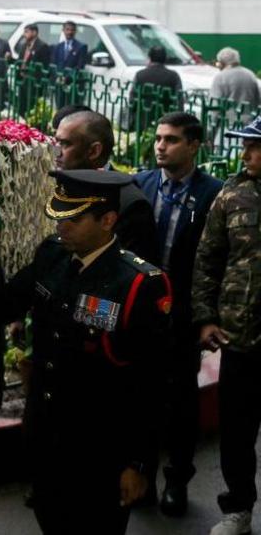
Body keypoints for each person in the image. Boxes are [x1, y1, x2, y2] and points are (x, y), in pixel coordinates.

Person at [0, 169, 172, 535]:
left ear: (108, 220)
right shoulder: (53, 255)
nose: (62, 226)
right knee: (51, 519)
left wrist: (138, 464)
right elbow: (6, 305)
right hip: (47, 435)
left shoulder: (138, 284)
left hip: (100, 447)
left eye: (75, 219)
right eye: (60, 216)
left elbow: (151, 383)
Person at [131, 112, 222, 516]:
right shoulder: (142, 184)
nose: (160, 146)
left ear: (193, 145)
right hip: (142, 313)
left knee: (182, 403)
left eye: (170, 139)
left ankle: (177, 480)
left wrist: (206, 316)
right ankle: (142, 476)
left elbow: (217, 261)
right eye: (158, 138)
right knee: (139, 397)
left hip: (184, 315)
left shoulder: (212, 194)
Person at [192, 115, 261, 535]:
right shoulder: (232, 195)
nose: (246, 153)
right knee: (237, 432)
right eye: (246, 145)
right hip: (242, 337)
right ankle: (238, 508)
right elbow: (207, 261)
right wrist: (204, 318)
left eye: (255, 146)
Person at [53, 109, 160, 264]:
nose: (57, 152)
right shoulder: (62, 185)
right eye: (57, 142)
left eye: (65, 144)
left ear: (94, 151)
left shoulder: (131, 203)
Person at [129, 45, 183, 130]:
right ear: (165, 59)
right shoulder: (174, 76)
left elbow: (132, 100)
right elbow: (179, 101)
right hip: (166, 124)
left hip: (142, 123)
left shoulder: (140, 75)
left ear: (150, 58)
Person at [210, 47, 261, 129]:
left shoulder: (221, 76)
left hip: (228, 126)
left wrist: (211, 127)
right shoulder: (250, 74)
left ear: (222, 62)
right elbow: (258, 100)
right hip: (249, 125)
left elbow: (215, 105)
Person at [16, 23, 52, 115]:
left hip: (34, 82)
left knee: (31, 107)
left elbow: (44, 66)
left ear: (34, 32)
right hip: (23, 80)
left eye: (26, 32)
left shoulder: (42, 46)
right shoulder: (24, 45)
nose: (24, 34)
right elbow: (20, 61)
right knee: (22, 105)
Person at [52, 21, 88, 106]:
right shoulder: (58, 47)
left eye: (72, 30)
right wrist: (57, 77)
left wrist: (67, 78)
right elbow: (54, 64)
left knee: (71, 108)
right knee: (59, 107)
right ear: (63, 30)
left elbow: (80, 66)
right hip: (59, 84)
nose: (69, 32)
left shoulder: (81, 47)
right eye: (67, 30)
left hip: (73, 84)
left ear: (75, 31)